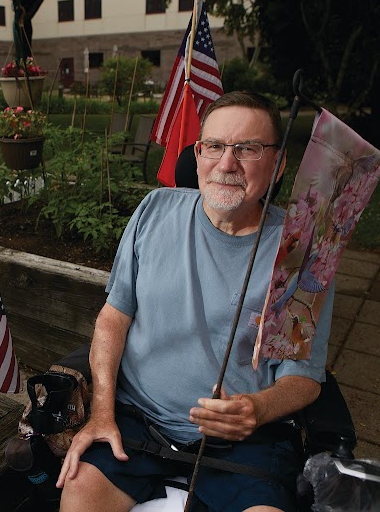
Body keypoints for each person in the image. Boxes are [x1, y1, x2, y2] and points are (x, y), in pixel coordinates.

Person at [55, 91, 334, 512]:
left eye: (248, 149)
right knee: (78, 493)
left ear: (278, 164)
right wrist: (101, 413)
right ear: (198, 154)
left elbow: (304, 379)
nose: (227, 164)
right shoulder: (155, 210)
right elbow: (113, 318)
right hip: (137, 421)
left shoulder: (299, 253)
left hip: (244, 440)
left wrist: (257, 409)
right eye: (215, 146)